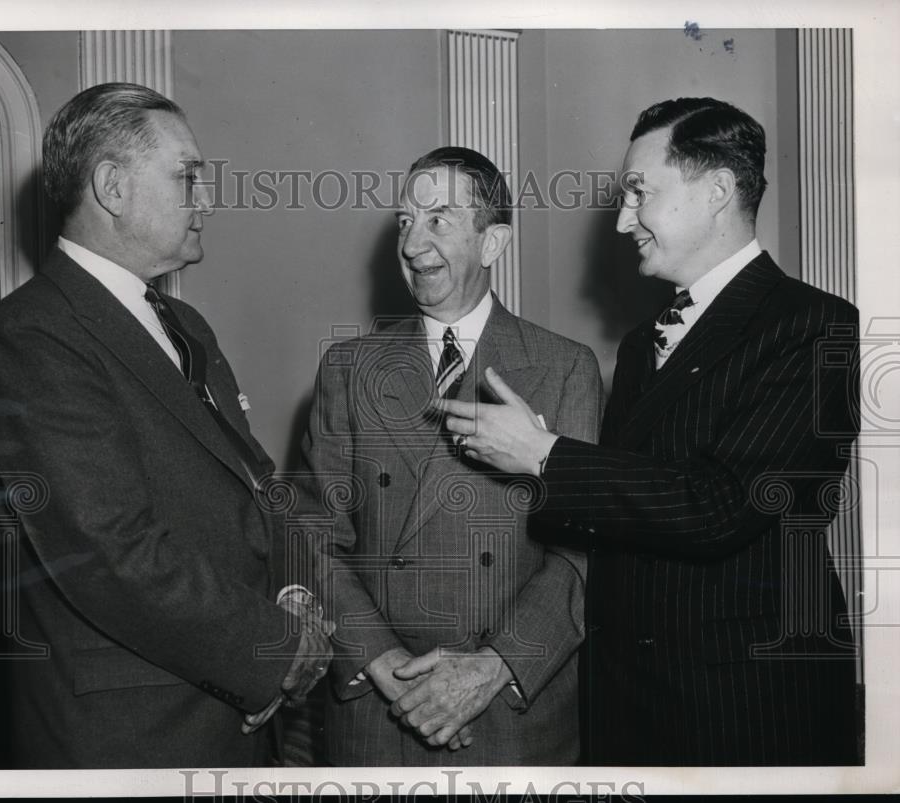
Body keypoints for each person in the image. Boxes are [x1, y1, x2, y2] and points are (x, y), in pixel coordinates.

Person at [438, 98, 860, 766]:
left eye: (639, 192)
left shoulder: (812, 326)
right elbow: (634, 509)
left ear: (717, 189)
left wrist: (544, 454)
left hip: (745, 708)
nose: (621, 219)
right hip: (631, 707)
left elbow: (722, 506)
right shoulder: (641, 344)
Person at [0, 82, 331, 768]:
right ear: (112, 186)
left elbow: (250, 486)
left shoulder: (183, 324)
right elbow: (109, 550)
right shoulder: (34, 333)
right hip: (133, 734)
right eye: (187, 175)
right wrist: (279, 644)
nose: (206, 198)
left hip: (229, 717)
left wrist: (290, 591)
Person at [298, 146, 603, 765]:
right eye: (404, 222)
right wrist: (384, 663)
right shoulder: (348, 368)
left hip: (510, 710)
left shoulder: (566, 368)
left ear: (493, 244)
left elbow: (582, 552)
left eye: (438, 219)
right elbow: (312, 535)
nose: (411, 246)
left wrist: (494, 668)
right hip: (381, 710)